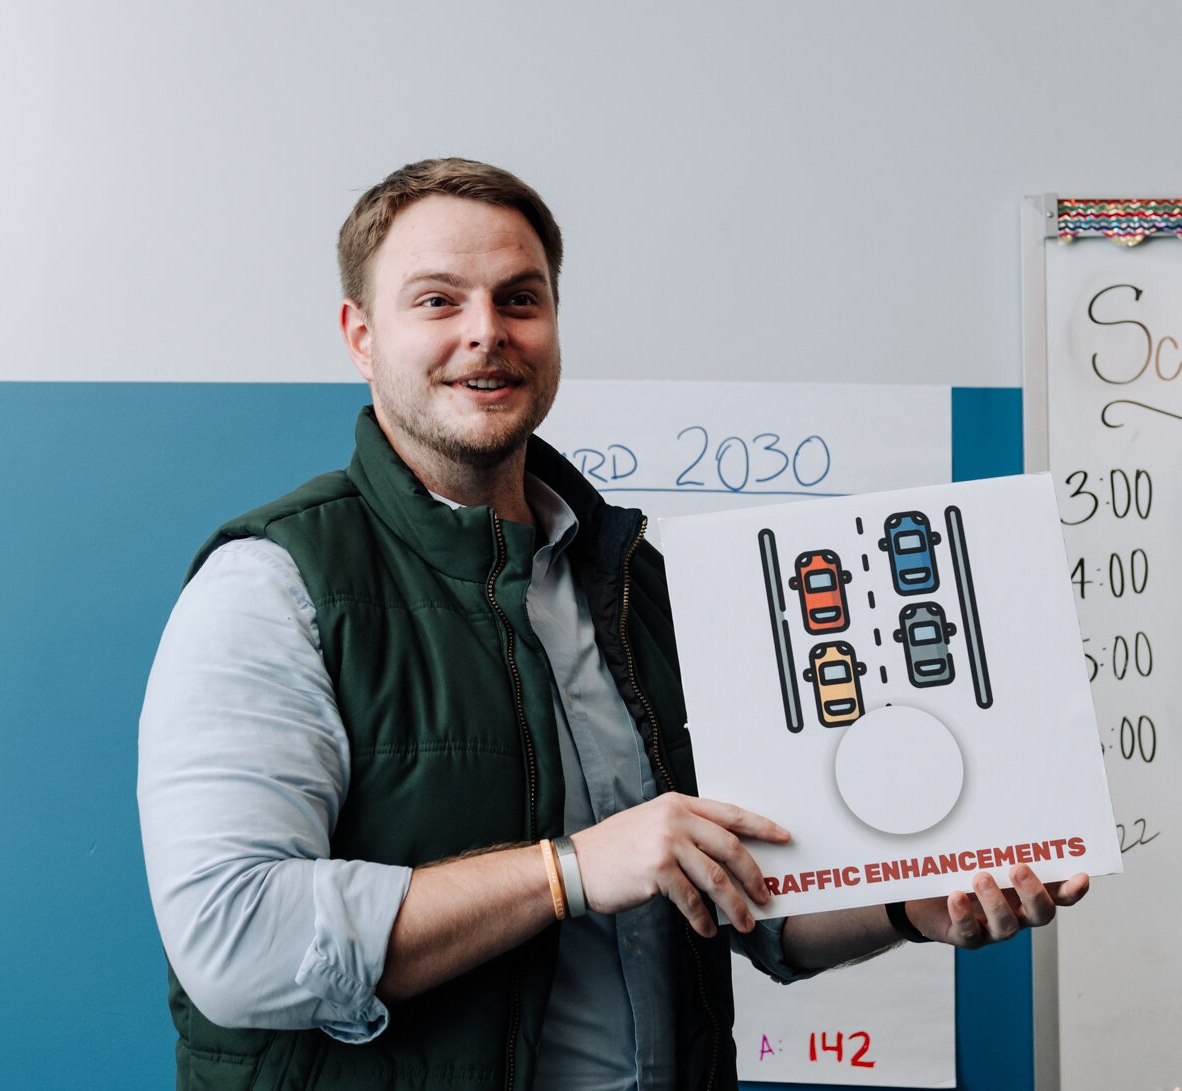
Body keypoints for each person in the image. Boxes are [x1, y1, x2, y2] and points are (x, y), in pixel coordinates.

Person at [137, 156, 1088, 1090]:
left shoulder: (635, 583)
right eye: (437, 301)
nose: (486, 334)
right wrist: (569, 871)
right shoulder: (272, 585)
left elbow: (750, 898)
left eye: (520, 298)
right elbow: (234, 940)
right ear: (360, 335)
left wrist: (903, 902)